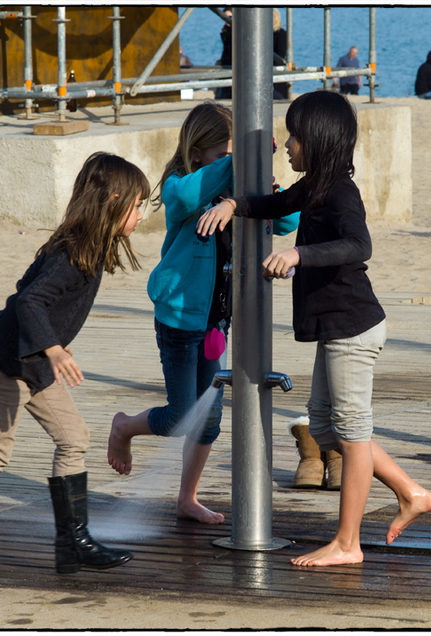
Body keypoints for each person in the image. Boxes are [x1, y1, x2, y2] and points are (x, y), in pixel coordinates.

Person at [196, 91, 431, 567]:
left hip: (353, 328)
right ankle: (410, 492)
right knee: (327, 427)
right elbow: (277, 202)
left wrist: (297, 253)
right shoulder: (313, 185)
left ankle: (349, 544)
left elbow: (358, 244)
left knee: (349, 431)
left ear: (319, 141)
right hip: (337, 329)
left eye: (294, 136)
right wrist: (234, 205)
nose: (287, 144)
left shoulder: (340, 192)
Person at [0, 152, 148, 578]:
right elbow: (29, 299)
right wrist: (55, 348)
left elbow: (24, 286)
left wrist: (48, 351)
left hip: (34, 364)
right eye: (137, 205)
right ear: (114, 201)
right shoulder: (70, 255)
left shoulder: (88, 248)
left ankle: (73, 542)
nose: (140, 214)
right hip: (7, 362)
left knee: (73, 437)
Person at [107, 102, 299, 524]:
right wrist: (237, 162)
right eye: (221, 155)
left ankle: (186, 498)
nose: (229, 165)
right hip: (178, 317)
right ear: (197, 153)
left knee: (208, 420)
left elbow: (288, 221)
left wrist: (263, 185)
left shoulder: (235, 193)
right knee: (180, 417)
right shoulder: (181, 187)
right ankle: (124, 427)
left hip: (216, 321)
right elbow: (190, 196)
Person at [214, 8, 233, 100]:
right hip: (225, 66)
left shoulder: (238, 31)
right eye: (224, 17)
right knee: (221, 95)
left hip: (233, 66)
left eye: (229, 17)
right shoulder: (225, 30)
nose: (227, 20)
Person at [272, 8, 289, 100]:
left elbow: (281, 53)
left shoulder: (281, 34)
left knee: (279, 96)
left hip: (277, 69)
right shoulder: (262, 34)